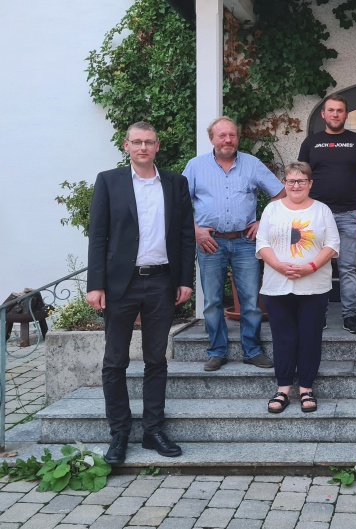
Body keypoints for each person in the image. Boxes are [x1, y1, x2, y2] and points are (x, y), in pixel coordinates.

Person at [86, 122, 195, 463]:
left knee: (155, 359)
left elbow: (184, 235)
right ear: (127, 145)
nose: (143, 147)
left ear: (158, 146)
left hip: (161, 281)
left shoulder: (175, 183)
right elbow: (98, 235)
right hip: (121, 283)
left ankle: (153, 430)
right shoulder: (109, 181)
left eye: (149, 142)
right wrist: (95, 284)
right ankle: (119, 434)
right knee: (115, 361)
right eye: (137, 142)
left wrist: (184, 279)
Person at [184, 117, 285, 372]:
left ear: (237, 138)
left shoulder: (252, 164)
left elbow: (281, 194)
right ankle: (217, 351)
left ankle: (252, 350)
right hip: (210, 243)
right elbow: (178, 202)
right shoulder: (196, 166)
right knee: (212, 301)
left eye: (232, 135)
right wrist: (195, 230)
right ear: (212, 139)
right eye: (222, 136)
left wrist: (263, 221)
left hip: (245, 242)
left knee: (251, 299)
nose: (228, 140)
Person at [256, 162, 340, 413]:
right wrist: (280, 267)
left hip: (314, 286)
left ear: (310, 184)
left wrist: (310, 267)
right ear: (284, 183)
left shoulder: (322, 210)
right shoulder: (272, 210)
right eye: (291, 181)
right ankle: (282, 389)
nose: (296, 185)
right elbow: (261, 244)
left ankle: (306, 388)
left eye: (301, 181)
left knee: (310, 337)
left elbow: (333, 244)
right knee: (284, 338)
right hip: (277, 286)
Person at [299, 94, 356, 334]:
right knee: (316, 266)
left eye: (340, 110)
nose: (335, 114)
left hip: (350, 215)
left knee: (348, 268)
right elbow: (302, 177)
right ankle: (317, 315)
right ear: (323, 114)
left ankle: (349, 316)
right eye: (331, 110)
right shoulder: (311, 143)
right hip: (317, 216)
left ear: (346, 114)